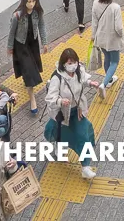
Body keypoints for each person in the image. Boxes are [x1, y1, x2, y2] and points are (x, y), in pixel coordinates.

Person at [44, 46, 99, 178]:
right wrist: (60, 101)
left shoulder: (79, 69)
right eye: (69, 63)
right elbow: (50, 98)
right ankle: (58, 146)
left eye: (74, 62)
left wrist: (91, 83)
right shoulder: (57, 77)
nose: (73, 66)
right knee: (58, 132)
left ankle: (85, 166)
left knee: (83, 134)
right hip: (62, 113)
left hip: (77, 111)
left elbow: (83, 80)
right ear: (63, 63)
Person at [8, 0, 47, 113]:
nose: (31, 4)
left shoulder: (38, 12)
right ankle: (32, 99)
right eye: (29, 1)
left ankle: (27, 81)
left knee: (31, 69)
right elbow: (11, 32)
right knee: (30, 71)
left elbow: (41, 26)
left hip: (33, 44)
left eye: (33, 1)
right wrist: (10, 47)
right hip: (21, 45)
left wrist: (44, 42)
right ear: (24, 1)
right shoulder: (17, 15)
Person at [92, 0, 124, 91]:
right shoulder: (115, 7)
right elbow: (119, 28)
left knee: (107, 58)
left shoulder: (95, 4)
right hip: (112, 40)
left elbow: (94, 22)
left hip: (100, 38)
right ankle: (104, 84)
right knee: (115, 61)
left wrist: (93, 36)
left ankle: (109, 79)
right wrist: (121, 35)